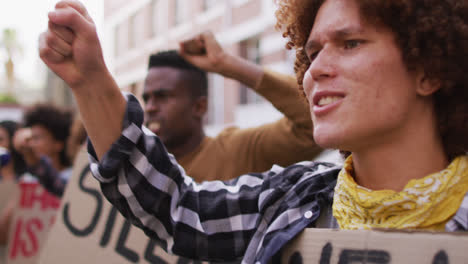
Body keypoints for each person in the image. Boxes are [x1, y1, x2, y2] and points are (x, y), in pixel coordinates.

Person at [39, 0, 468, 263]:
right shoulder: (290, 200)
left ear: (428, 67)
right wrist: (91, 81)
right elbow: (178, 209)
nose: (316, 69)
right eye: (311, 51)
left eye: (350, 43)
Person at [142, 36, 320, 182]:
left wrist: (225, 63)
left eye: (162, 96)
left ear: (199, 106)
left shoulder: (237, 151)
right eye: (146, 98)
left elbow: (313, 125)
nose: (150, 108)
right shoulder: (137, 167)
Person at [14, 104, 73, 197]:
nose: (31, 144)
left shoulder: (73, 178)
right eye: (30, 139)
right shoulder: (26, 180)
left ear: (58, 144)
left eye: (37, 138)